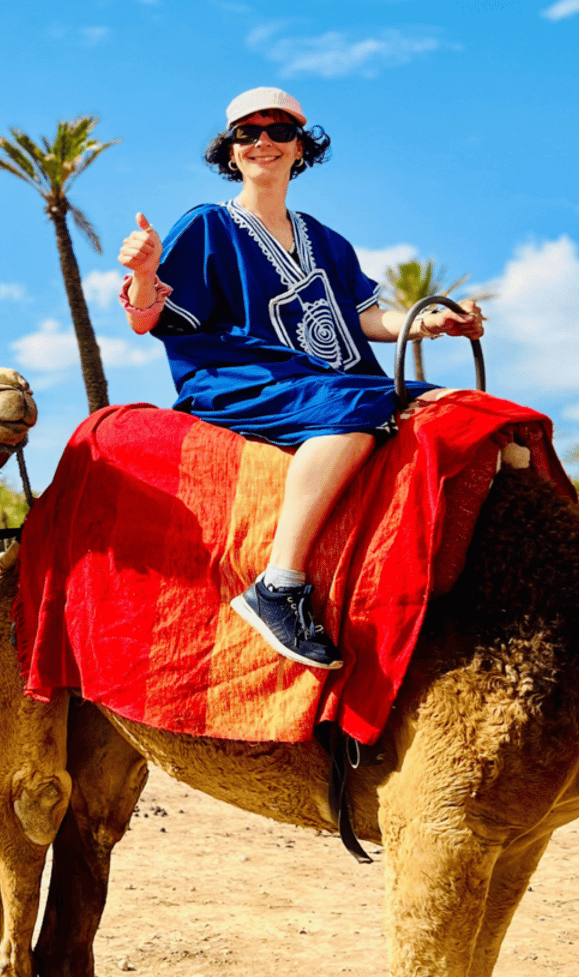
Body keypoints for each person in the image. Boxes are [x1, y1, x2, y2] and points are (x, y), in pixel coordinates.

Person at [118, 87, 484, 669]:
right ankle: (279, 585)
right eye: (248, 133)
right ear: (231, 152)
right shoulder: (207, 225)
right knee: (352, 419)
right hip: (237, 376)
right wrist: (142, 274)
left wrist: (430, 321)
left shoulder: (327, 241)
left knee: (462, 409)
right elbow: (150, 319)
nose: (263, 141)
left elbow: (366, 318)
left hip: (327, 379)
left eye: (279, 131)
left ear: (299, 149)